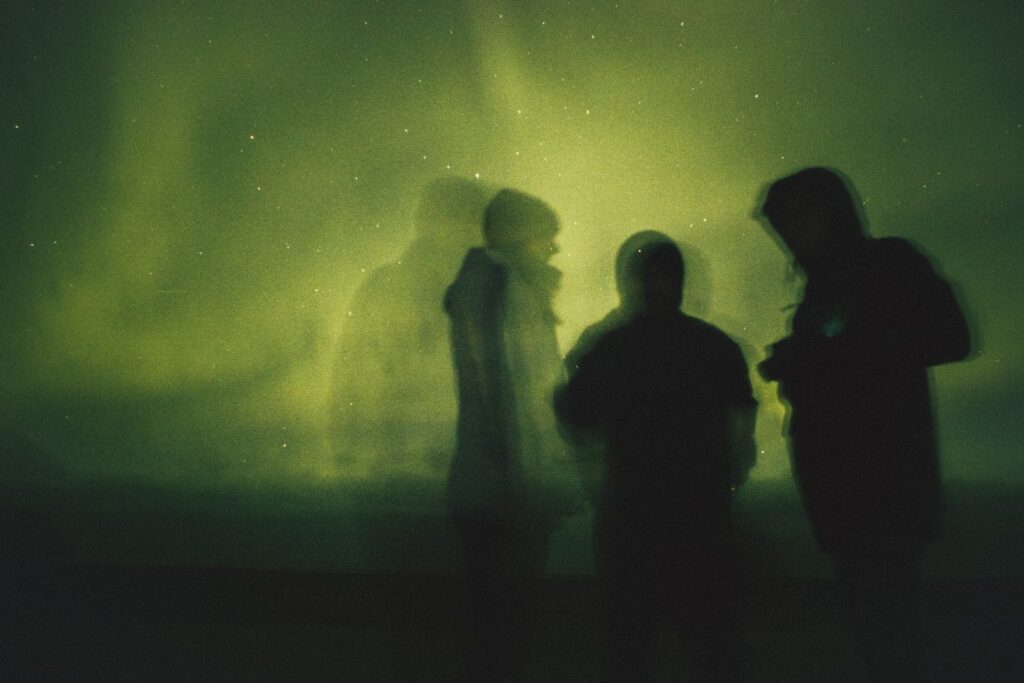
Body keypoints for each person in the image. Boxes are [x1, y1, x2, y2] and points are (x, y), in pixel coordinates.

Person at [757, 167, 971, 680]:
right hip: (850, 492)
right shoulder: (834, 283)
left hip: (880, 487)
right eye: (784, 226)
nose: (790, 236)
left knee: (888, 630)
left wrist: (827, 357)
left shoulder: (888, 264)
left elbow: (951, 338)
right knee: (880, 630)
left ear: (828, 214)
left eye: (796, 220)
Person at [556, 232, 756, 682]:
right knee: (710, 643)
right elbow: (742, 429)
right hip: (703, 517)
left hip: (630, 517)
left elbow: (576, 413)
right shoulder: (715, 345)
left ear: (624, 282)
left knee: (629, 642)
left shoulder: (609, 346)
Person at [444, 188, 583, 681]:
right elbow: (520, 397)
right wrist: (535, 484)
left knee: (496, 622)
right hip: (510, 490)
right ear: (519, 237)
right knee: (507, 622)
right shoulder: (509, 290)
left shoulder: (490, 287)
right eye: (547, 236)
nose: (554, 248)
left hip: (493, 486)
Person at [330, 177, 490, 477]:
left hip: (421, 461)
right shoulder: (397, 287)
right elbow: (358, 379)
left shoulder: (460, 286)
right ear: (436, 223)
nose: (476, 233)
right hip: (406, 464)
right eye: (467, 219)